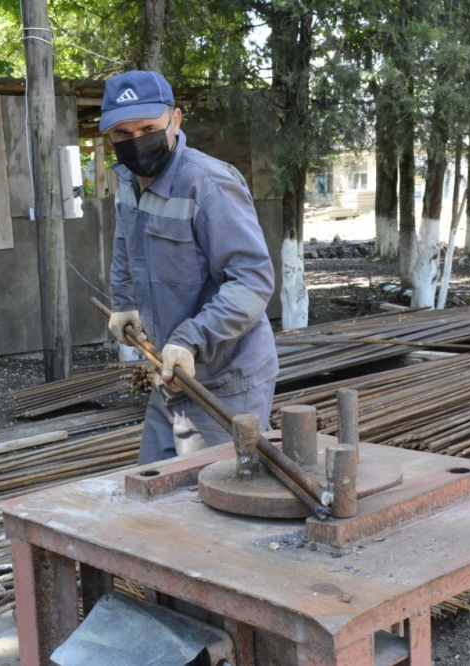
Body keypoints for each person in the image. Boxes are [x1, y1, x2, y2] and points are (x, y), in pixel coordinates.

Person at [100, 70, 279, 465]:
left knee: (213, 506)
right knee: (153, 483)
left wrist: (192, 338)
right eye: (122, 135)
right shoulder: (129, 181)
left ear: (175, 120)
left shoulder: (208, 183)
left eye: (148, 128)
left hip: (226, 377)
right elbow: (125, 241)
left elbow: (252, 281)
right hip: (170, 373)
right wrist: (124, 299)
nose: (136, 142)